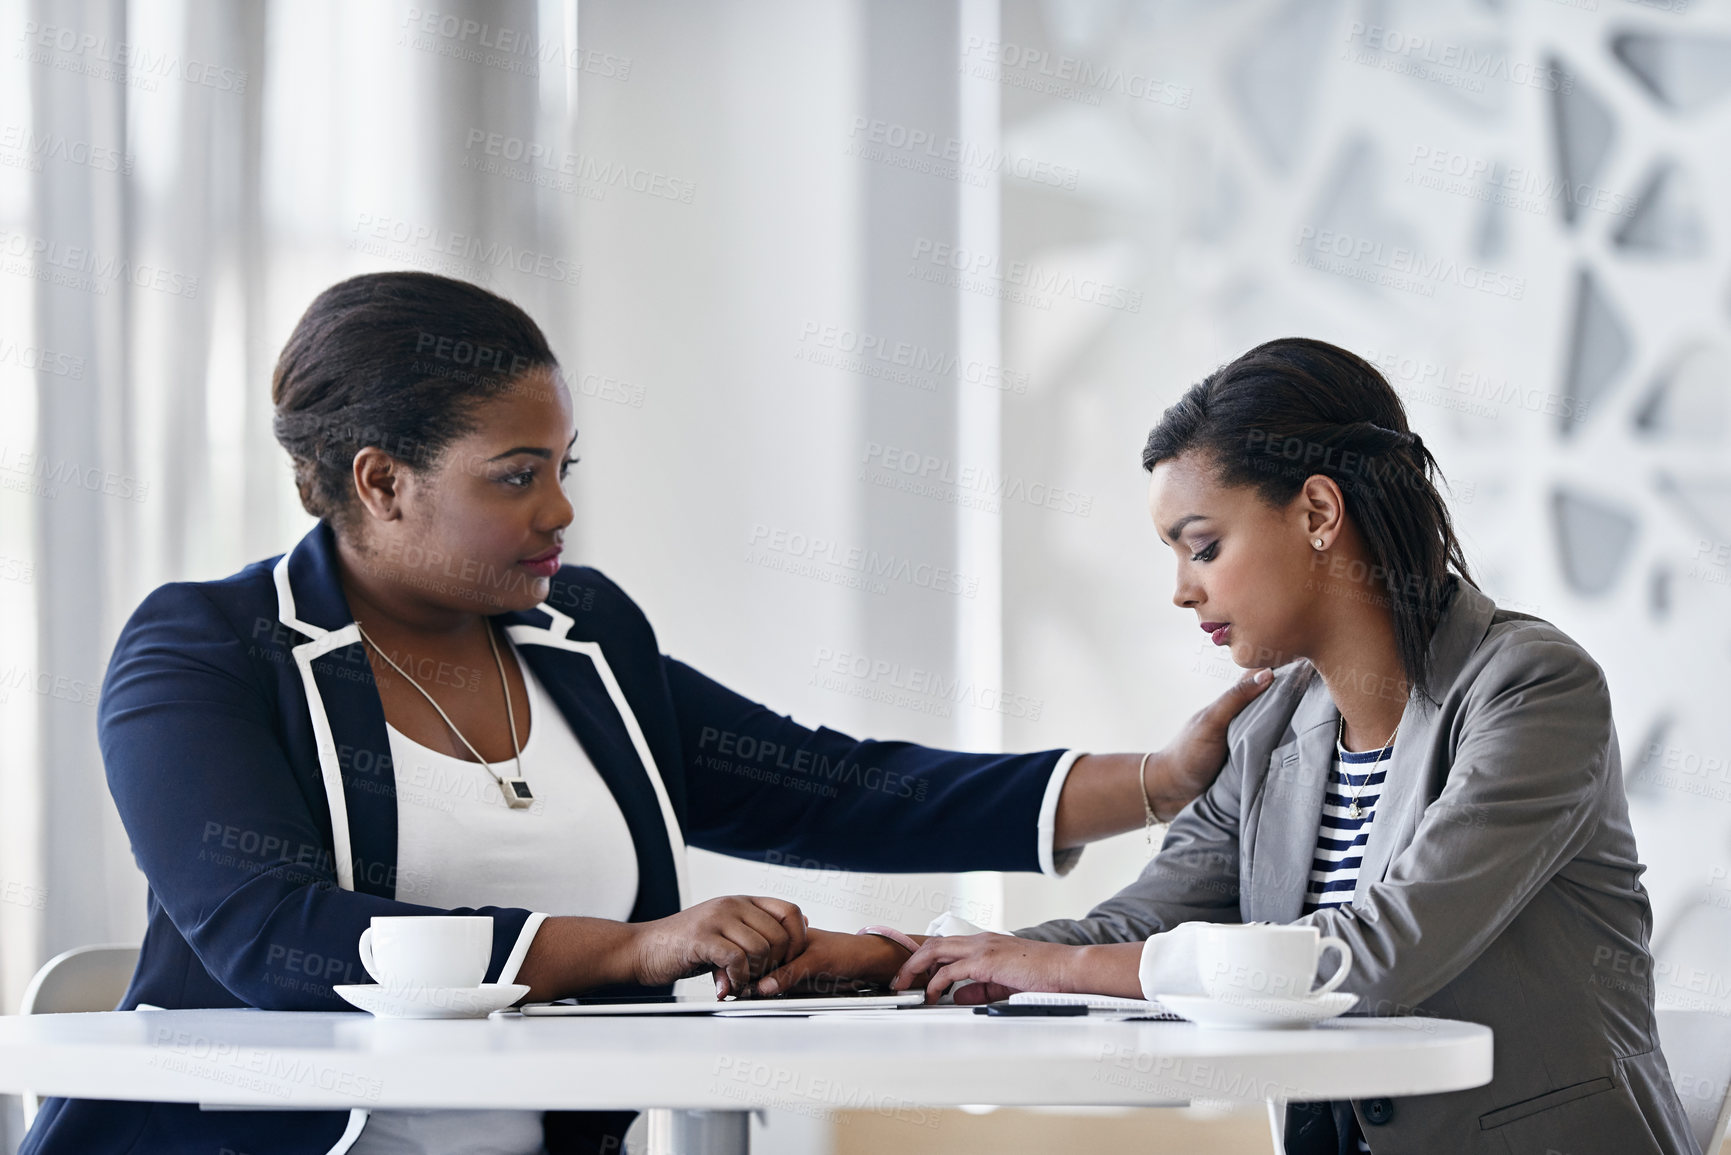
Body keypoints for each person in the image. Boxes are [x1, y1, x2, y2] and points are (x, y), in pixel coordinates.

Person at [19, 272, 1272, 1155]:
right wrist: (631, 947)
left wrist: (1162, 777)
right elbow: (271, 937)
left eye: (564, 469)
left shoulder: (584, 637)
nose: (559, 513)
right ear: (380, 481)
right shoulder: (207, 651)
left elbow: (827, 785)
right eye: (516, 479)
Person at [764, 338, 1698, 1155]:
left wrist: (1052, 965)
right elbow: (1128, 934)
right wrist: (904, 957)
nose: (1180, 589)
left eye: (1201, 546)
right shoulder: (1264, 733)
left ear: (1318, 513)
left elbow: (1375, 956)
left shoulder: (1531, 687)